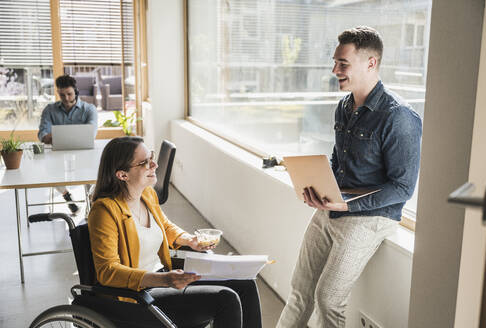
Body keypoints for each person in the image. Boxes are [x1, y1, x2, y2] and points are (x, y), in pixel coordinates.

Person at [276, 26, 422, 328]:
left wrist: (349, 206)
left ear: (371, 63)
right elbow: (338, 161)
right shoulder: (344, 106)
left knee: (328, 299)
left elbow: (402, 187)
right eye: (335, 62)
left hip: (370, 218)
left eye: (343, 63)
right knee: (299, 292)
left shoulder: (399, 117)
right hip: (334, 206)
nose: (334, 70)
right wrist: (315, 185)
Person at [88, 136, 263, 328]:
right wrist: (163, 279)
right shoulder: (104, 211)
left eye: (151, 157)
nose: (154, 164)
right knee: (225, 299)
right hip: (138, 296)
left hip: (163, 278)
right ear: (123, 175)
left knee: (246, 284)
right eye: (144, 162)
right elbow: (108, 272)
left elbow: (165, 226)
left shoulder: (147, 194)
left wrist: (190, 240)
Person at [38, 74, 98, 214]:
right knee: (50, 171)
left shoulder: (89, 109)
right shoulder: (49, 110)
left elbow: (90, 134)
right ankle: (66, 195)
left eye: (69, 94)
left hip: (83, 154)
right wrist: (76, 133)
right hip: (57, 155)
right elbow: (42, 134)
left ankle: (92, 205)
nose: (66, 98)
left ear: (76, 91)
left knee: (93, 173)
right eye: (62, 95)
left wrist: (56, 135)